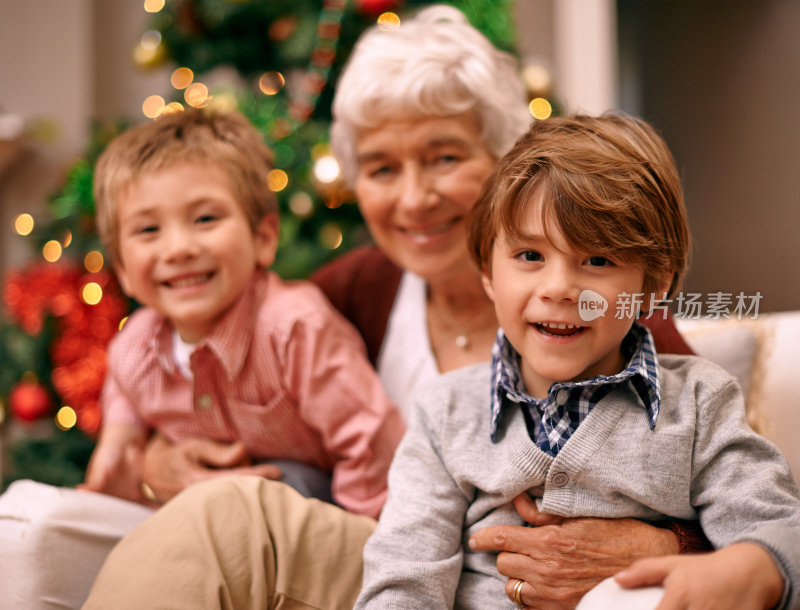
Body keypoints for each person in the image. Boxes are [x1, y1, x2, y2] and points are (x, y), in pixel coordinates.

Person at [82, 7, 718, 610]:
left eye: (444, 157)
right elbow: (213, 376)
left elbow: (738, 498)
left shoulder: (603, 315)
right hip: (387, 567)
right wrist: (152, 462)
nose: (414, 199)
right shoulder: (341, 294)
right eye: (383, 169)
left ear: (507, 162)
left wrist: (665, 543)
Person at [354, 113, 800, 609]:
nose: (559, 289)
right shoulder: (444, 411)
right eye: (529, 256)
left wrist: (759, 564)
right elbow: (405, 572)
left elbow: (782, 534)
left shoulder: (699, 401)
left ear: (652, 286)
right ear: (487, 273)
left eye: (598, 260)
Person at [0, 108, 405, 608]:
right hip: (198, 517)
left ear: (263, 237)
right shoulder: (136, 346)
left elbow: (366, 435)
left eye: (205, 219)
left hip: (311, 503)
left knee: (273, 490)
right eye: (148, 231)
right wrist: (119, 442)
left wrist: (373, 542)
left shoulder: (295, 326)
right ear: (123, 269)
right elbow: (123, 400)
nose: (179, 248)